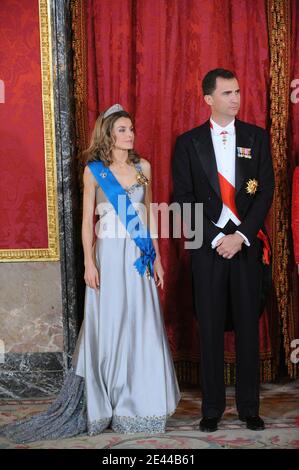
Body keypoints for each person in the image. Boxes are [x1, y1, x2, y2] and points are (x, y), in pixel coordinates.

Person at [1, 104, 180, 443]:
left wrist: (156, 258)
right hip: (109, 256)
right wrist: (89, 263)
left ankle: (140, 404)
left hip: (139, 257)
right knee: (111, 324)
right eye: (123, 129)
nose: (130, 134)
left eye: (131, 129)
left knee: (140, 324)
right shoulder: (94, 172)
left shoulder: (144, 168)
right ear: (109, 134)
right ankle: (106, 400)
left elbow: (149, 215)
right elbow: (86, 224)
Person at [172, 69, 274, 432]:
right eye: (228, 92)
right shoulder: (188, 142)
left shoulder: (256, 137)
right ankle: (212, 408)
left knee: (247, 325)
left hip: (244, 246)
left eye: (238, 91)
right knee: (211, 327)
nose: (236, 98)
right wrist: (216, 238)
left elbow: (265, 192)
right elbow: (181, 199)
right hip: (208, 248)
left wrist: (241, 235)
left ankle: (249, 407)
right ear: (208, 99)